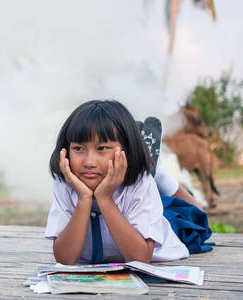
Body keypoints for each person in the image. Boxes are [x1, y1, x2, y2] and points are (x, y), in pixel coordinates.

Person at [45, 100, 189, 265]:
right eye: (78, 148)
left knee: (189, 217)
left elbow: (140, 259)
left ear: (125, 150)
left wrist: (105, 199)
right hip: (136, 211)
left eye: (102, 148)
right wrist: (84, 199)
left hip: (169, 225)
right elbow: (65, 259)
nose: (89, 162)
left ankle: (158, 172)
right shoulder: (65, 183)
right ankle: (151, 162)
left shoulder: (140, 183)